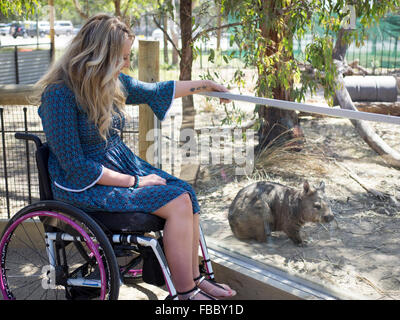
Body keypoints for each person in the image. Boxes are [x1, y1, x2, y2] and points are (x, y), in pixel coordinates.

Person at [34, 13, 236, 300]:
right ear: (100, 56)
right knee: (177, 202)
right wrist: (135, 182)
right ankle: (186, 294)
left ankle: (194, 279)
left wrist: (205, 84)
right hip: (86, 186)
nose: (127, 64)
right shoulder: (59, 95)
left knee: (186, 193)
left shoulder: (107, 82)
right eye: (123, 57)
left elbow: (156, 90)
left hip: (118, 167)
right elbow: (77, 168)